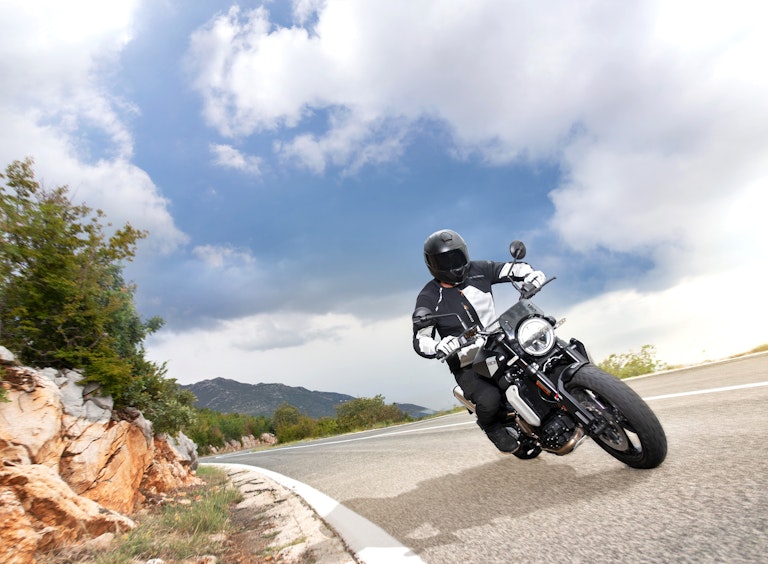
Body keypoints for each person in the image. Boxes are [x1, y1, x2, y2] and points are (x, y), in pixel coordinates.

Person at [411, 229, 546, 453]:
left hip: (501, 343)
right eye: (445, 261)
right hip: (469, 362)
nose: (454, 265)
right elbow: (420, 339)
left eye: (457, 256)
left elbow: (513, 268)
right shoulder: (429, 297)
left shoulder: (479, 269)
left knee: (542, 355)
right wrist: (438, 345)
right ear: (432, 265)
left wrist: (531, 275)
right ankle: (491, 426)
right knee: (489, 399)